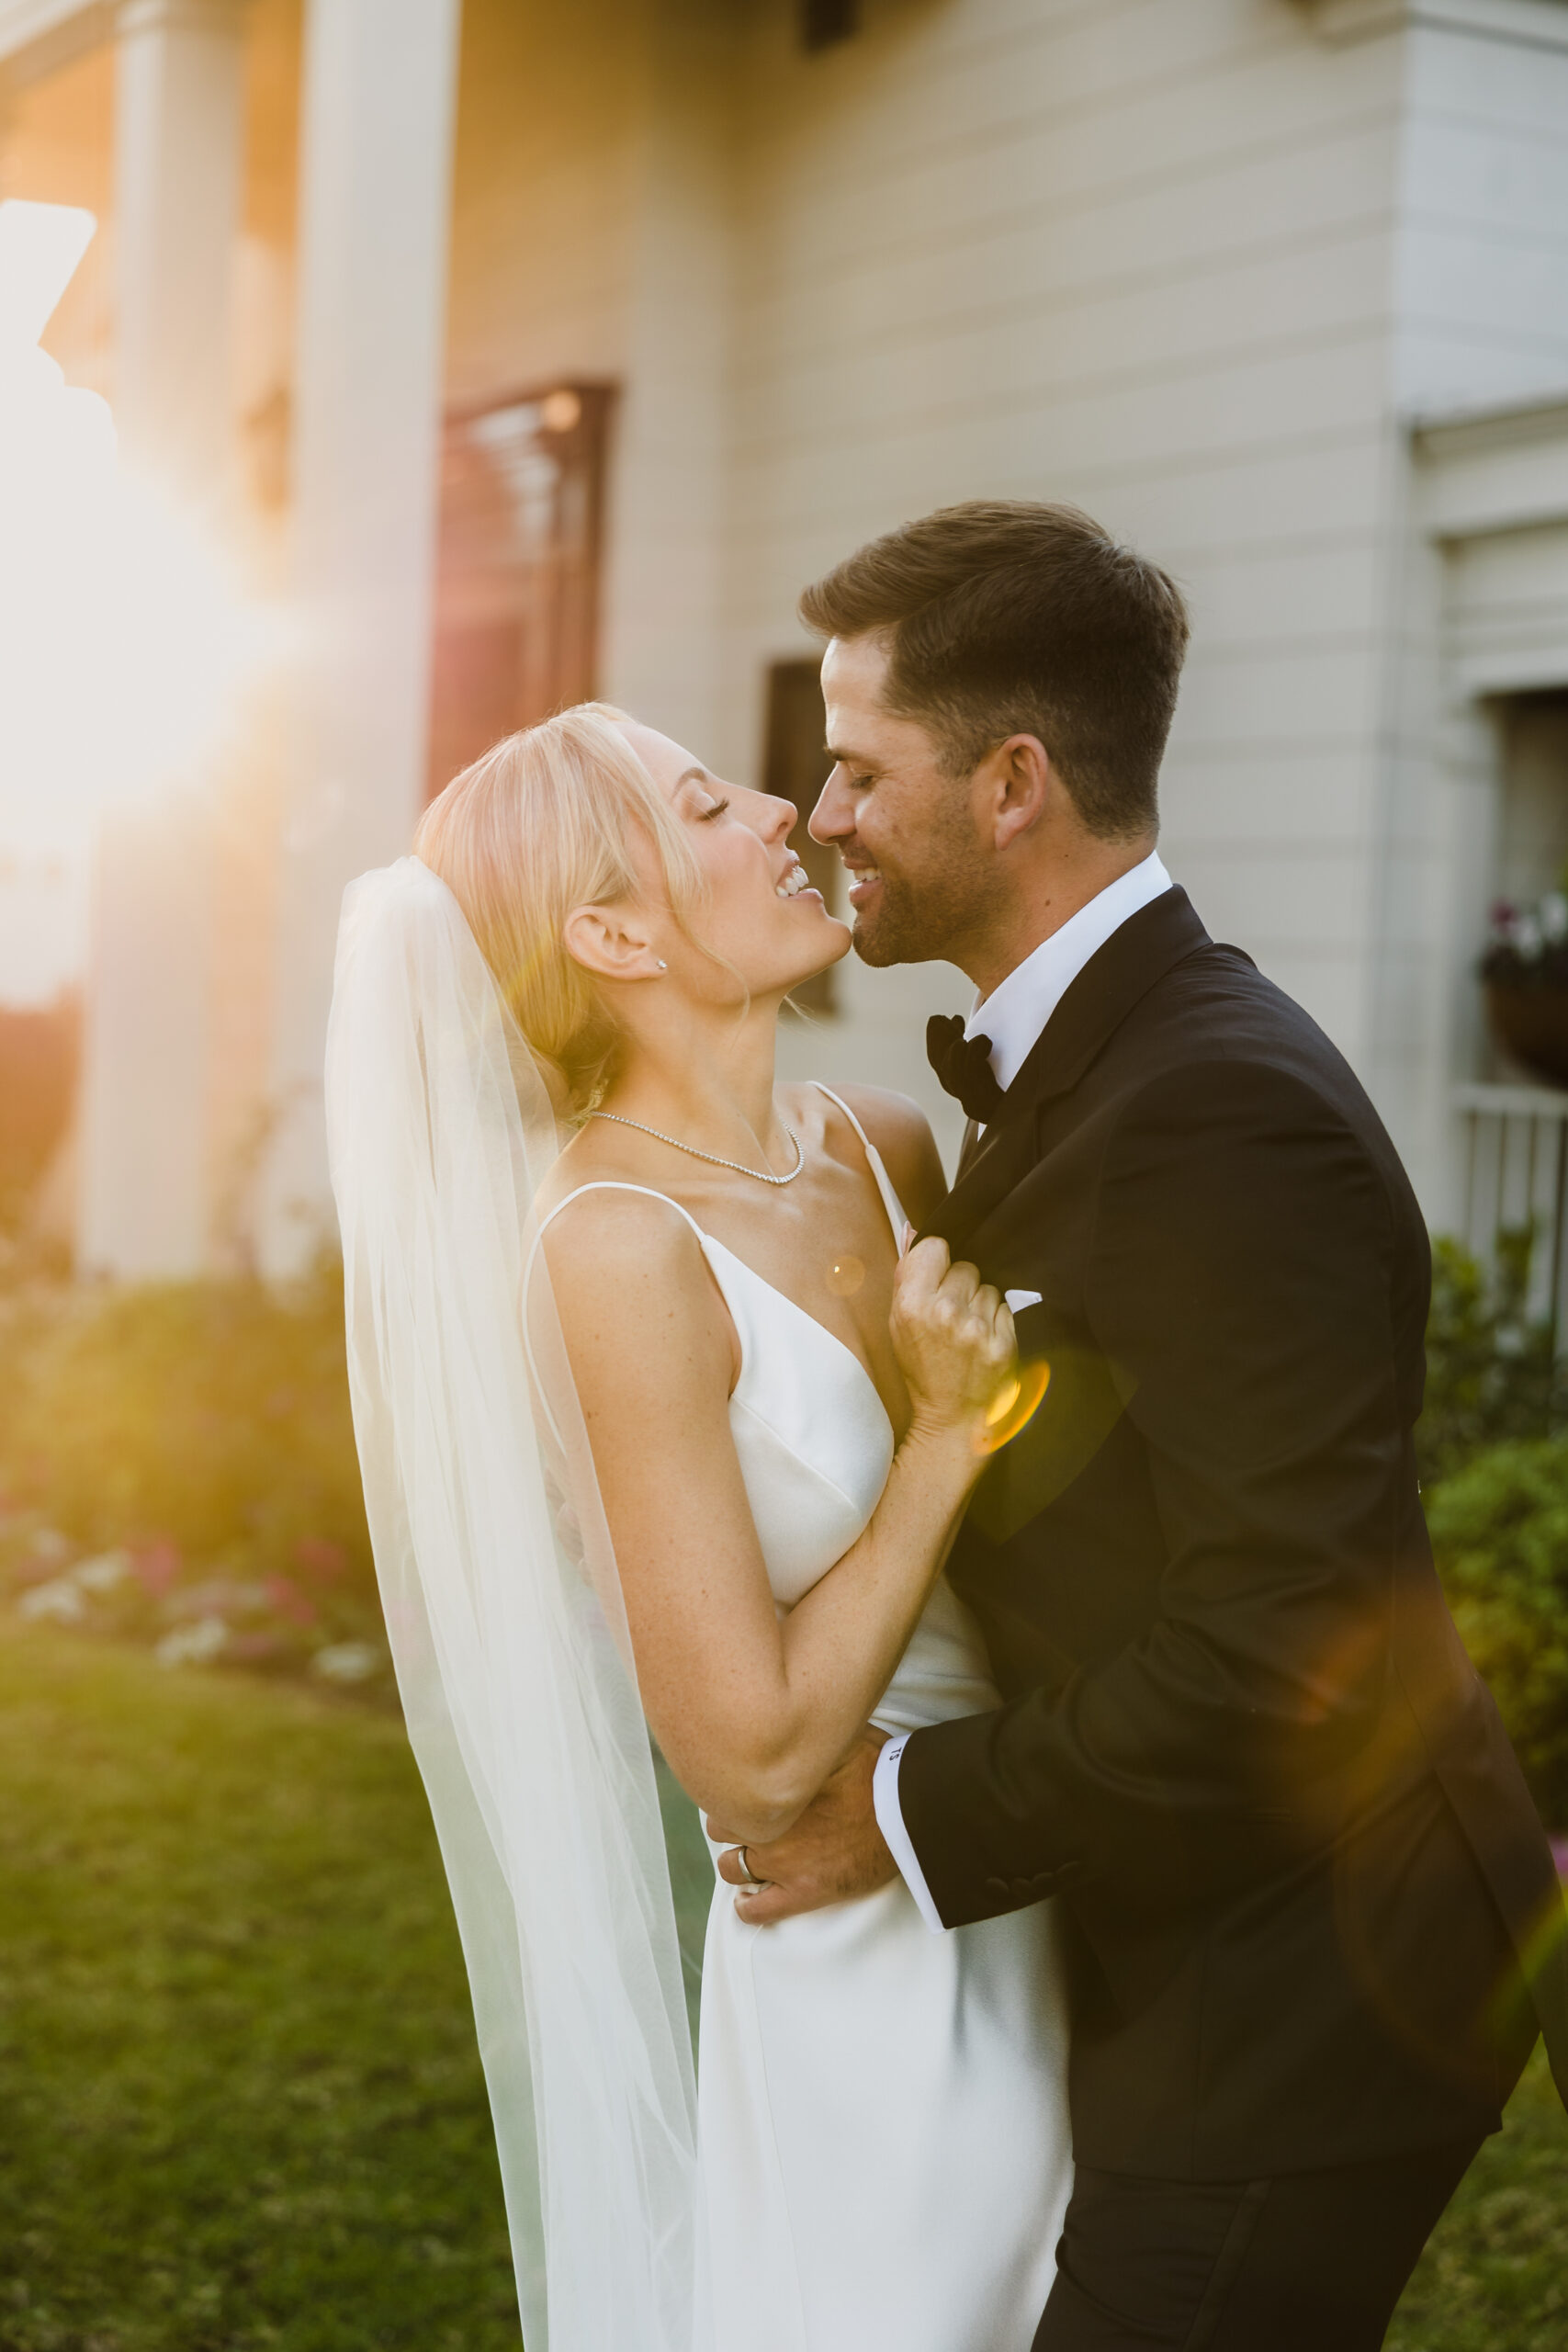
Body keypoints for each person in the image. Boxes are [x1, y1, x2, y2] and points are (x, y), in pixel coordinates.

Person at [721, 499, 1568, 2352]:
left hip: (1313, 1970)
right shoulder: (1073, 1064)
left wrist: (894, 1806)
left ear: (1012, 779)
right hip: (1189, 1920)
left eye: (858, 764)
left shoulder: (1214, 1110)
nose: (818, 811)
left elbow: (1273, 1645)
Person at [328, 701, 1074, 2352]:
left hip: (1044, 1862)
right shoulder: (611, 1248)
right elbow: (745, 1763)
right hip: (864, 1960)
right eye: (705, 801)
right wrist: (948, 1437)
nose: (785, 810)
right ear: (611, 929)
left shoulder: (881, 1142)